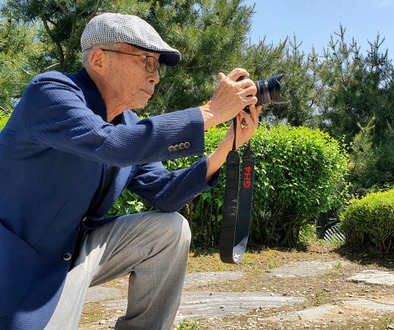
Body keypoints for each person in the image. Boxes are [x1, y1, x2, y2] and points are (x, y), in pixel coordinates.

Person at [0, 12, 261, 329]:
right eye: (148, 62)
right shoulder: (51, 93)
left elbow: (165, 194)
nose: (156, 77)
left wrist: (226, 148)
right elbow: (115, 146)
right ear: (99, 59)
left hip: (79, 251)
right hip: (20, 264)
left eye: (158, 67)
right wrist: (210, 111)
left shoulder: (129, 125)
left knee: (171, 230)